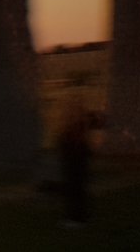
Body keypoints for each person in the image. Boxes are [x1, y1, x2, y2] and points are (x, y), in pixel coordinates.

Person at [57, 97, 93, 227]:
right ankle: (76, 216)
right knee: (75, 191)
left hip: (75, 165)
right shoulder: (76, 127)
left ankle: (77, 218)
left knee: (76, 191)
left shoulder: (77, 128)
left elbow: (77, 146)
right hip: (73, 164)